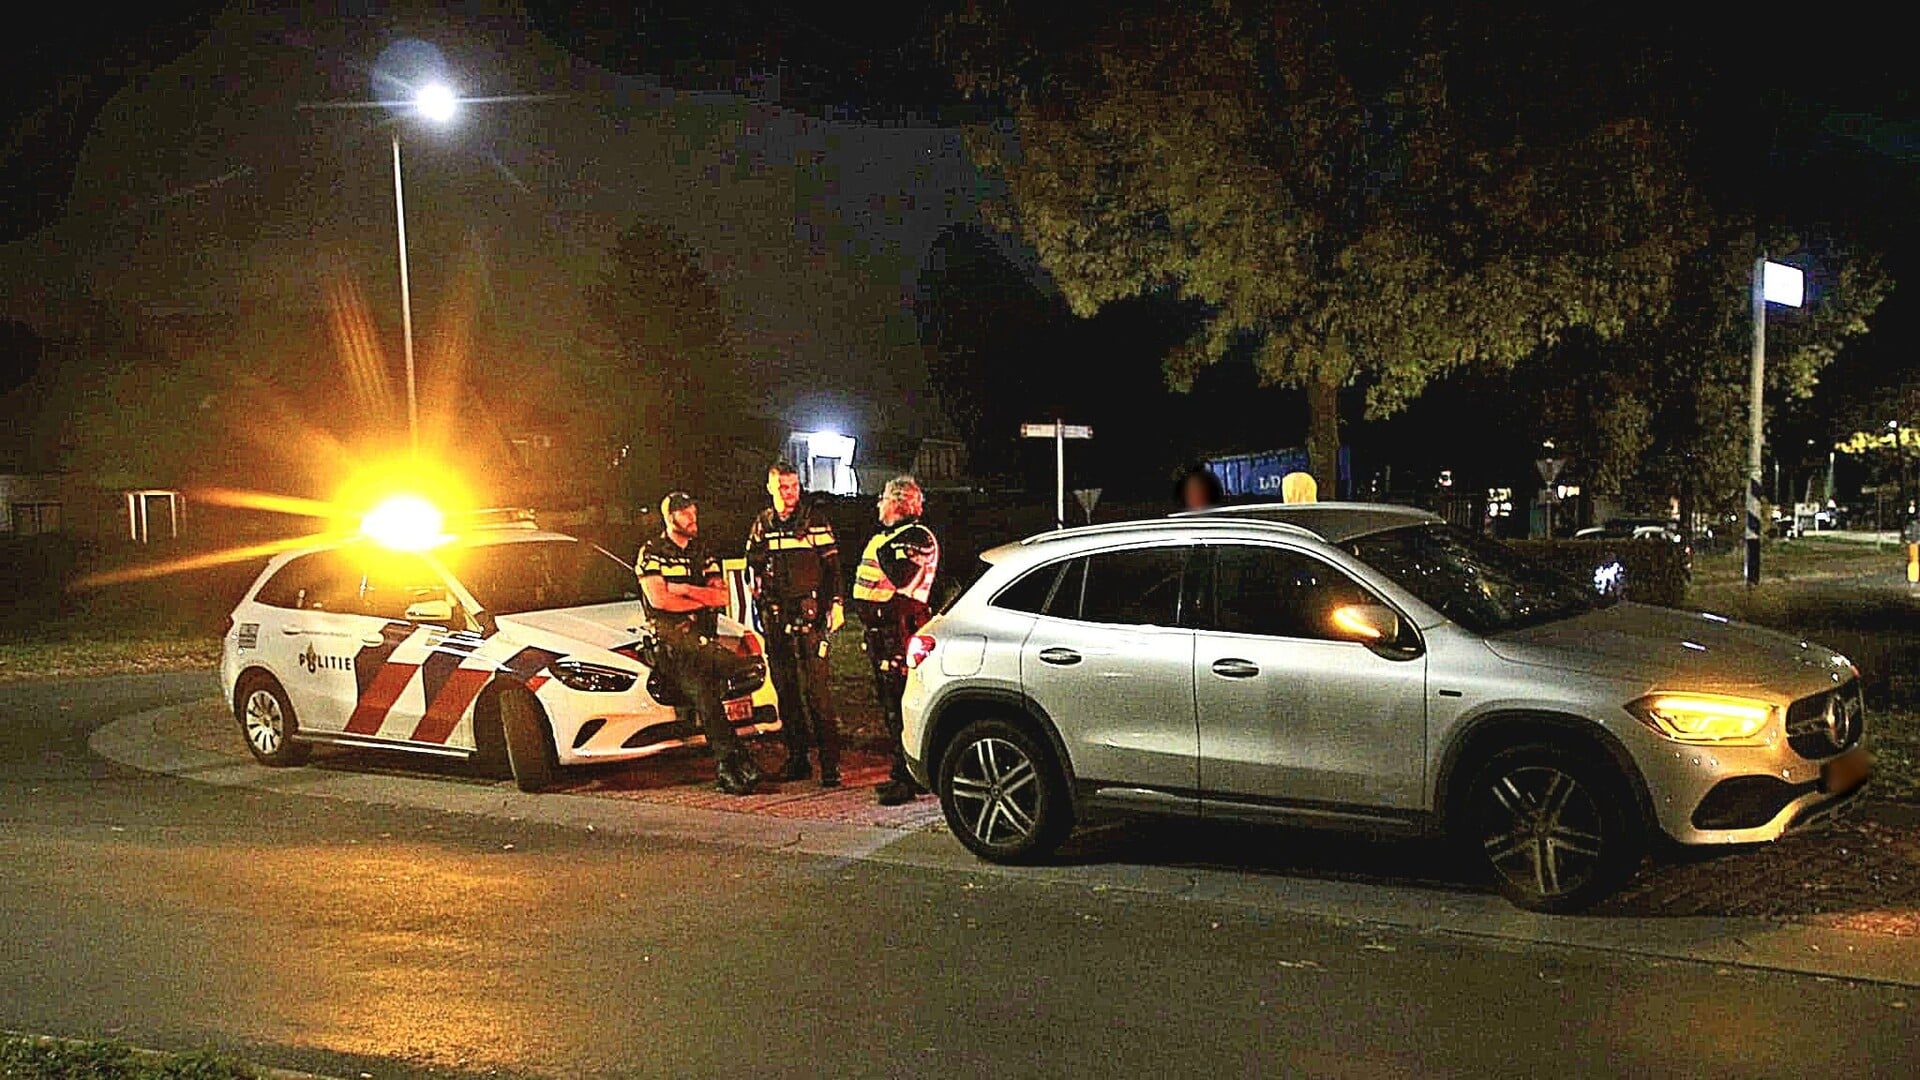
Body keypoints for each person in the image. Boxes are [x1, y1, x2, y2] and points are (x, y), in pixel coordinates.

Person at [637, 491, 761, 796]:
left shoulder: (702, 551)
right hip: (672, 643)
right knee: (706, 695)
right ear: (670, 517)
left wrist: (684, 589)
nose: (693, 519)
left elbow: (721, 596)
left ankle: (734, 764)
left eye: (694, 512)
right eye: (686, 514)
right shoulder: (651, 552)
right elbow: (659, 600)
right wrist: (695, 598)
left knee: (717, 691)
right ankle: (731, 765)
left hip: (703, 639)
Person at [745, 460, 844, 786]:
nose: (789, 494)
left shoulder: (814, 520)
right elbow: (753, 566)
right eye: (783, 487)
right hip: (777, 616)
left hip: (810, 615)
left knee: (816, 691)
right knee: (786, 691)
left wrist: (836, 605)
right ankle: (798, 758)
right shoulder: (763, 524)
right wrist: (759, 601)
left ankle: (830, 765)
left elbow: (833, 568)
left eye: (794, 487)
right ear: (770, 488)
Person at [852, 476, 940, 806]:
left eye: (883, 499)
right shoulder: (889, 537)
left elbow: (900, 576)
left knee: (900, 705)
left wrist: (882, 545)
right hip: (882, 632)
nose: (878, 505)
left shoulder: (916, 536)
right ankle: (903, 770)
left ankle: (905, 776)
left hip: (899, 630)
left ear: (898, 503)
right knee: (889, 705)